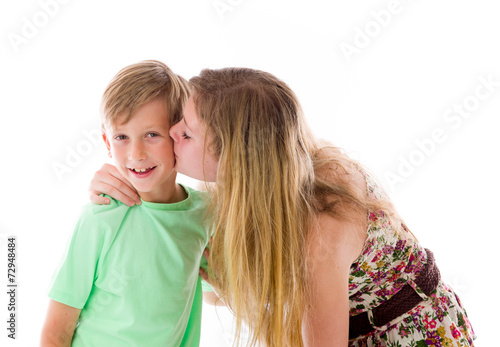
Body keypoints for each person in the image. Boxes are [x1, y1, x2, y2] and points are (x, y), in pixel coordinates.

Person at [89, 67, 476, 347]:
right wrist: (124, 185)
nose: (172, 133)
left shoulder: (321, 224)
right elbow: (217, 286)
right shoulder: (275, 171)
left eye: (186, 132)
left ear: (235, 161)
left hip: (411, 337)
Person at [41, 60, 210, 347]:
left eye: (152, 135)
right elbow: (56, 331)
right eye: (121, 137)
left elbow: (220, 290)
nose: (136, 153)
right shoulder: (100, 218)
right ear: (107, 142)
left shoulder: (205, 213)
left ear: (178, 136)